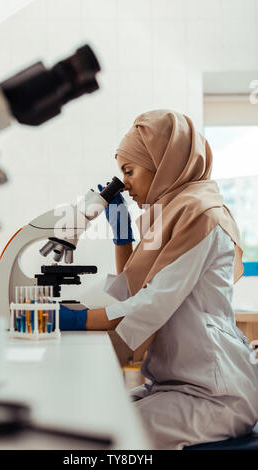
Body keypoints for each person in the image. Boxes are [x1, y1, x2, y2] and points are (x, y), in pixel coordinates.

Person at [59, 109, 258, 450]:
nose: (125, 184)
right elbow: (133, 289)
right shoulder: (167, 213)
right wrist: (123, 240)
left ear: (163, 162)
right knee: (87, 417)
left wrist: (78, 319)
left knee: (105, 439)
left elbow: (153, 301)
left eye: (129, 171)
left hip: (215, 393)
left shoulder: (202, 213)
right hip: (176, 384)